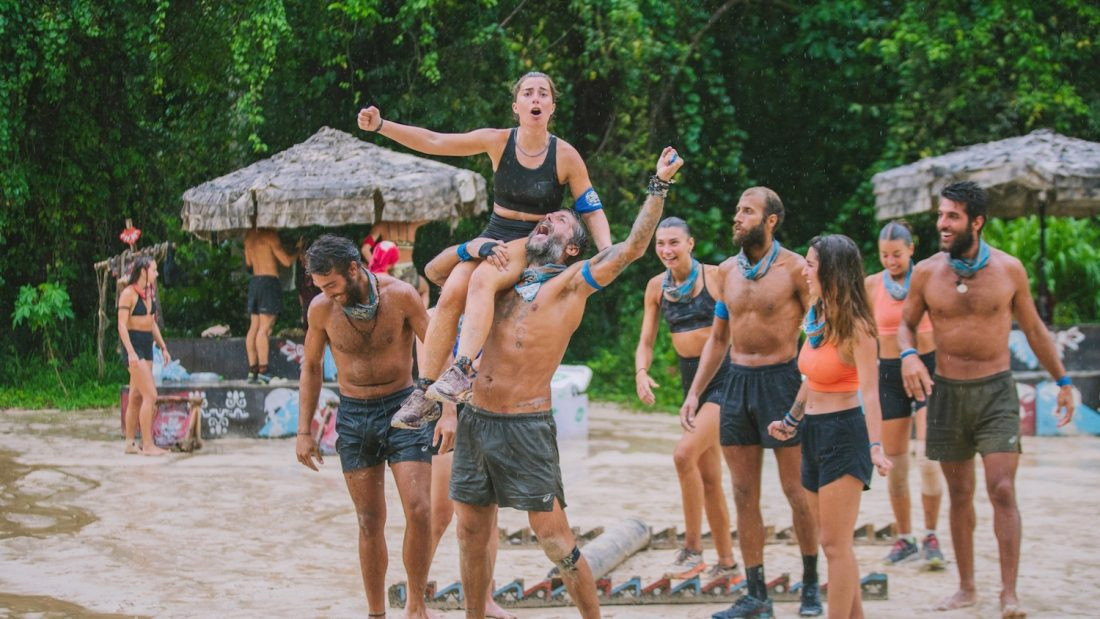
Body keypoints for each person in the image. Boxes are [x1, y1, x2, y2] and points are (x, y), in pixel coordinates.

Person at [442, 148, 681, 619]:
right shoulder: (499, 279)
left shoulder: (573, 282)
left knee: (554, 540)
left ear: (572, 247)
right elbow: (437, 276)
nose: (545, 220)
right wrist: (469, 250)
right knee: (469, 531)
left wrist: (659, 185)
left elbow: (632, 248)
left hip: (525, 426)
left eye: (557, 222)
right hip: (477, 419)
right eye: (544, 218)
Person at [357, 71, 614, 430]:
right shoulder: (497, 141)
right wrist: (382, 126)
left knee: (481, 279)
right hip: (494, 233)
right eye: (528, 93)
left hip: (532, 239)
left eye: (543, 93)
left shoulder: (565, 155)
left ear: (552, 106)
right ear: (516, 106)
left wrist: (608, 253)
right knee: (450, 291)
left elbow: (590, 208)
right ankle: (425, 390)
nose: (536, 98)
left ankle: (462, 369)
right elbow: (434, 140)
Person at [899, 181, 1076, 618]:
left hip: (996, 391)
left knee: (1002, 488)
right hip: (946, 393)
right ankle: (966, 587)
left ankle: (1008, 594)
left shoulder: (1009, 270)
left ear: (976, 222)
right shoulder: (926, 273)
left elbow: (1034, 330)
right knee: (959, 492)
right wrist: (908, 356)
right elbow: (906, 324)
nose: (942, 224)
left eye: (952, 216)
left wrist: (1063, 380)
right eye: (941, 215)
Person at [681, 188, 821, 618]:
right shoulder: (726, 272)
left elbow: (819, 332)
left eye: (747, 211)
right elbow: (718, 338)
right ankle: (757, 595)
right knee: (743, 492)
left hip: (782, 381)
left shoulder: (795, 269)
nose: (737, 218)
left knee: (796, 490)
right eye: (737, 210)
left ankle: (810, 585)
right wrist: (695, 391)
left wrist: (813, 383)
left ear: (771, 220)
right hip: (736, 383)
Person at [294, 234, 436, 619]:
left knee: (420, 510)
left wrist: (445, 403)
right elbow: (310, 367)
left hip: (405, 407)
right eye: (320, 288)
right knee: (369, 520)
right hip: (355, 415)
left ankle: (416, 604)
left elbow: (435, 343)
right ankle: (376, 613)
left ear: (354, 269)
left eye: (332, 285)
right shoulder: (321, 310)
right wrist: (304, 431)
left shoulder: (401, 296)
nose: (327, 294)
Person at [768, 234, 893, 619]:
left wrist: (876, 446)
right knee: (833, 545)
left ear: (833, 272)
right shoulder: (817, 316)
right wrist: (791, 420)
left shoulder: (858, 328)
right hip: (813, 432)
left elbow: (871, 393)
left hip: (845, 435)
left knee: (835, 544)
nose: (804, 271)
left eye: (811, 265)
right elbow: (812, 379)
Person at [634, 217, 738, 580]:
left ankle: (692, 550)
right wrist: (641, 372)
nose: (666, 250)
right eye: (661, 244)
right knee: (709, 479)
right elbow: (646, 341)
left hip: (725, 379)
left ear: (691, 243)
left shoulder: (716, 277)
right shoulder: (656, 287)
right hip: (691, 381)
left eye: (674, 242)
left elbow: (741, 321)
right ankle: (727, 563)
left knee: (683, 456)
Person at [422, 312, 517, 619]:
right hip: (444, 414)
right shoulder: (435, 315)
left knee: (488, 515)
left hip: (488, 410)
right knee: (438, 514)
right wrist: (448, 412)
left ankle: (484, 599)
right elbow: (431, 368)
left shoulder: (494, 311)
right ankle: (414, 601)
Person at [865, 219, 947, 569]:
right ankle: (905, 538)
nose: (890, 261)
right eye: (884, 255)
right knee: (895, 463)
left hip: (926, 369)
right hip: (888, 374)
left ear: (911, 249)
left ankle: (931, 535)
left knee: (927, 457)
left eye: (897, 254)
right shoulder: (872, 285)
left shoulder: (927, 279)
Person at [117, 256, 170, 456]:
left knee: (136, 396)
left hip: (147, 345)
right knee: (151, 395)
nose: (156, 274)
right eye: (154, 270)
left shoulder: (149, 293)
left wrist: (163, 347)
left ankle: (130, 444)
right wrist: (130, 351)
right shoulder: (128, 294)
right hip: (134, 346)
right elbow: (121, 325)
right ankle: (147, 445)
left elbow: (151, 322)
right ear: (143, 271)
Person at [244, 227, 301, 383]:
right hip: (268, 282)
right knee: (264, 329)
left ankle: (252, 370)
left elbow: (248, 262)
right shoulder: (270, 235)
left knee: (254, 328)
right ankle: (264, 370)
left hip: (255, 282)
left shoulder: (249, 235)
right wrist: (298, 250)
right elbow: (286, 261)